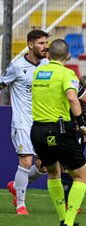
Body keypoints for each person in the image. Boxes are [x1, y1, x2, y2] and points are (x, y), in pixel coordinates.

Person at [30, 39, 86, 226]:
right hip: (58, 130)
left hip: (37, 131)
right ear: (68, 57)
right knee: (82, 176)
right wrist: (83, 125)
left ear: (48, 54)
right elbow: (72, 97)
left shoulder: (38, 73)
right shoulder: (67, 73)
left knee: (53, 173)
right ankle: (68, 223)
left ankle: (63, 221)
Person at [0, 29, 49, 215]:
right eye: (41, 43)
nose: (45, 46)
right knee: (26, 161)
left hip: (43, 122)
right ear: (30, 45)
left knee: (44, 165)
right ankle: (21, 205)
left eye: (46, 43)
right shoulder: (17, 66)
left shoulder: (47, 65)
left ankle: (16, 185)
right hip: (22, 122)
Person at [61, 80, 86, 213]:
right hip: (60, 128)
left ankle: (71, 203)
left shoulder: (72, 85)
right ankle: (67, 202)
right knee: (49, 167)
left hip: (77, 130)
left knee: (73, 167)